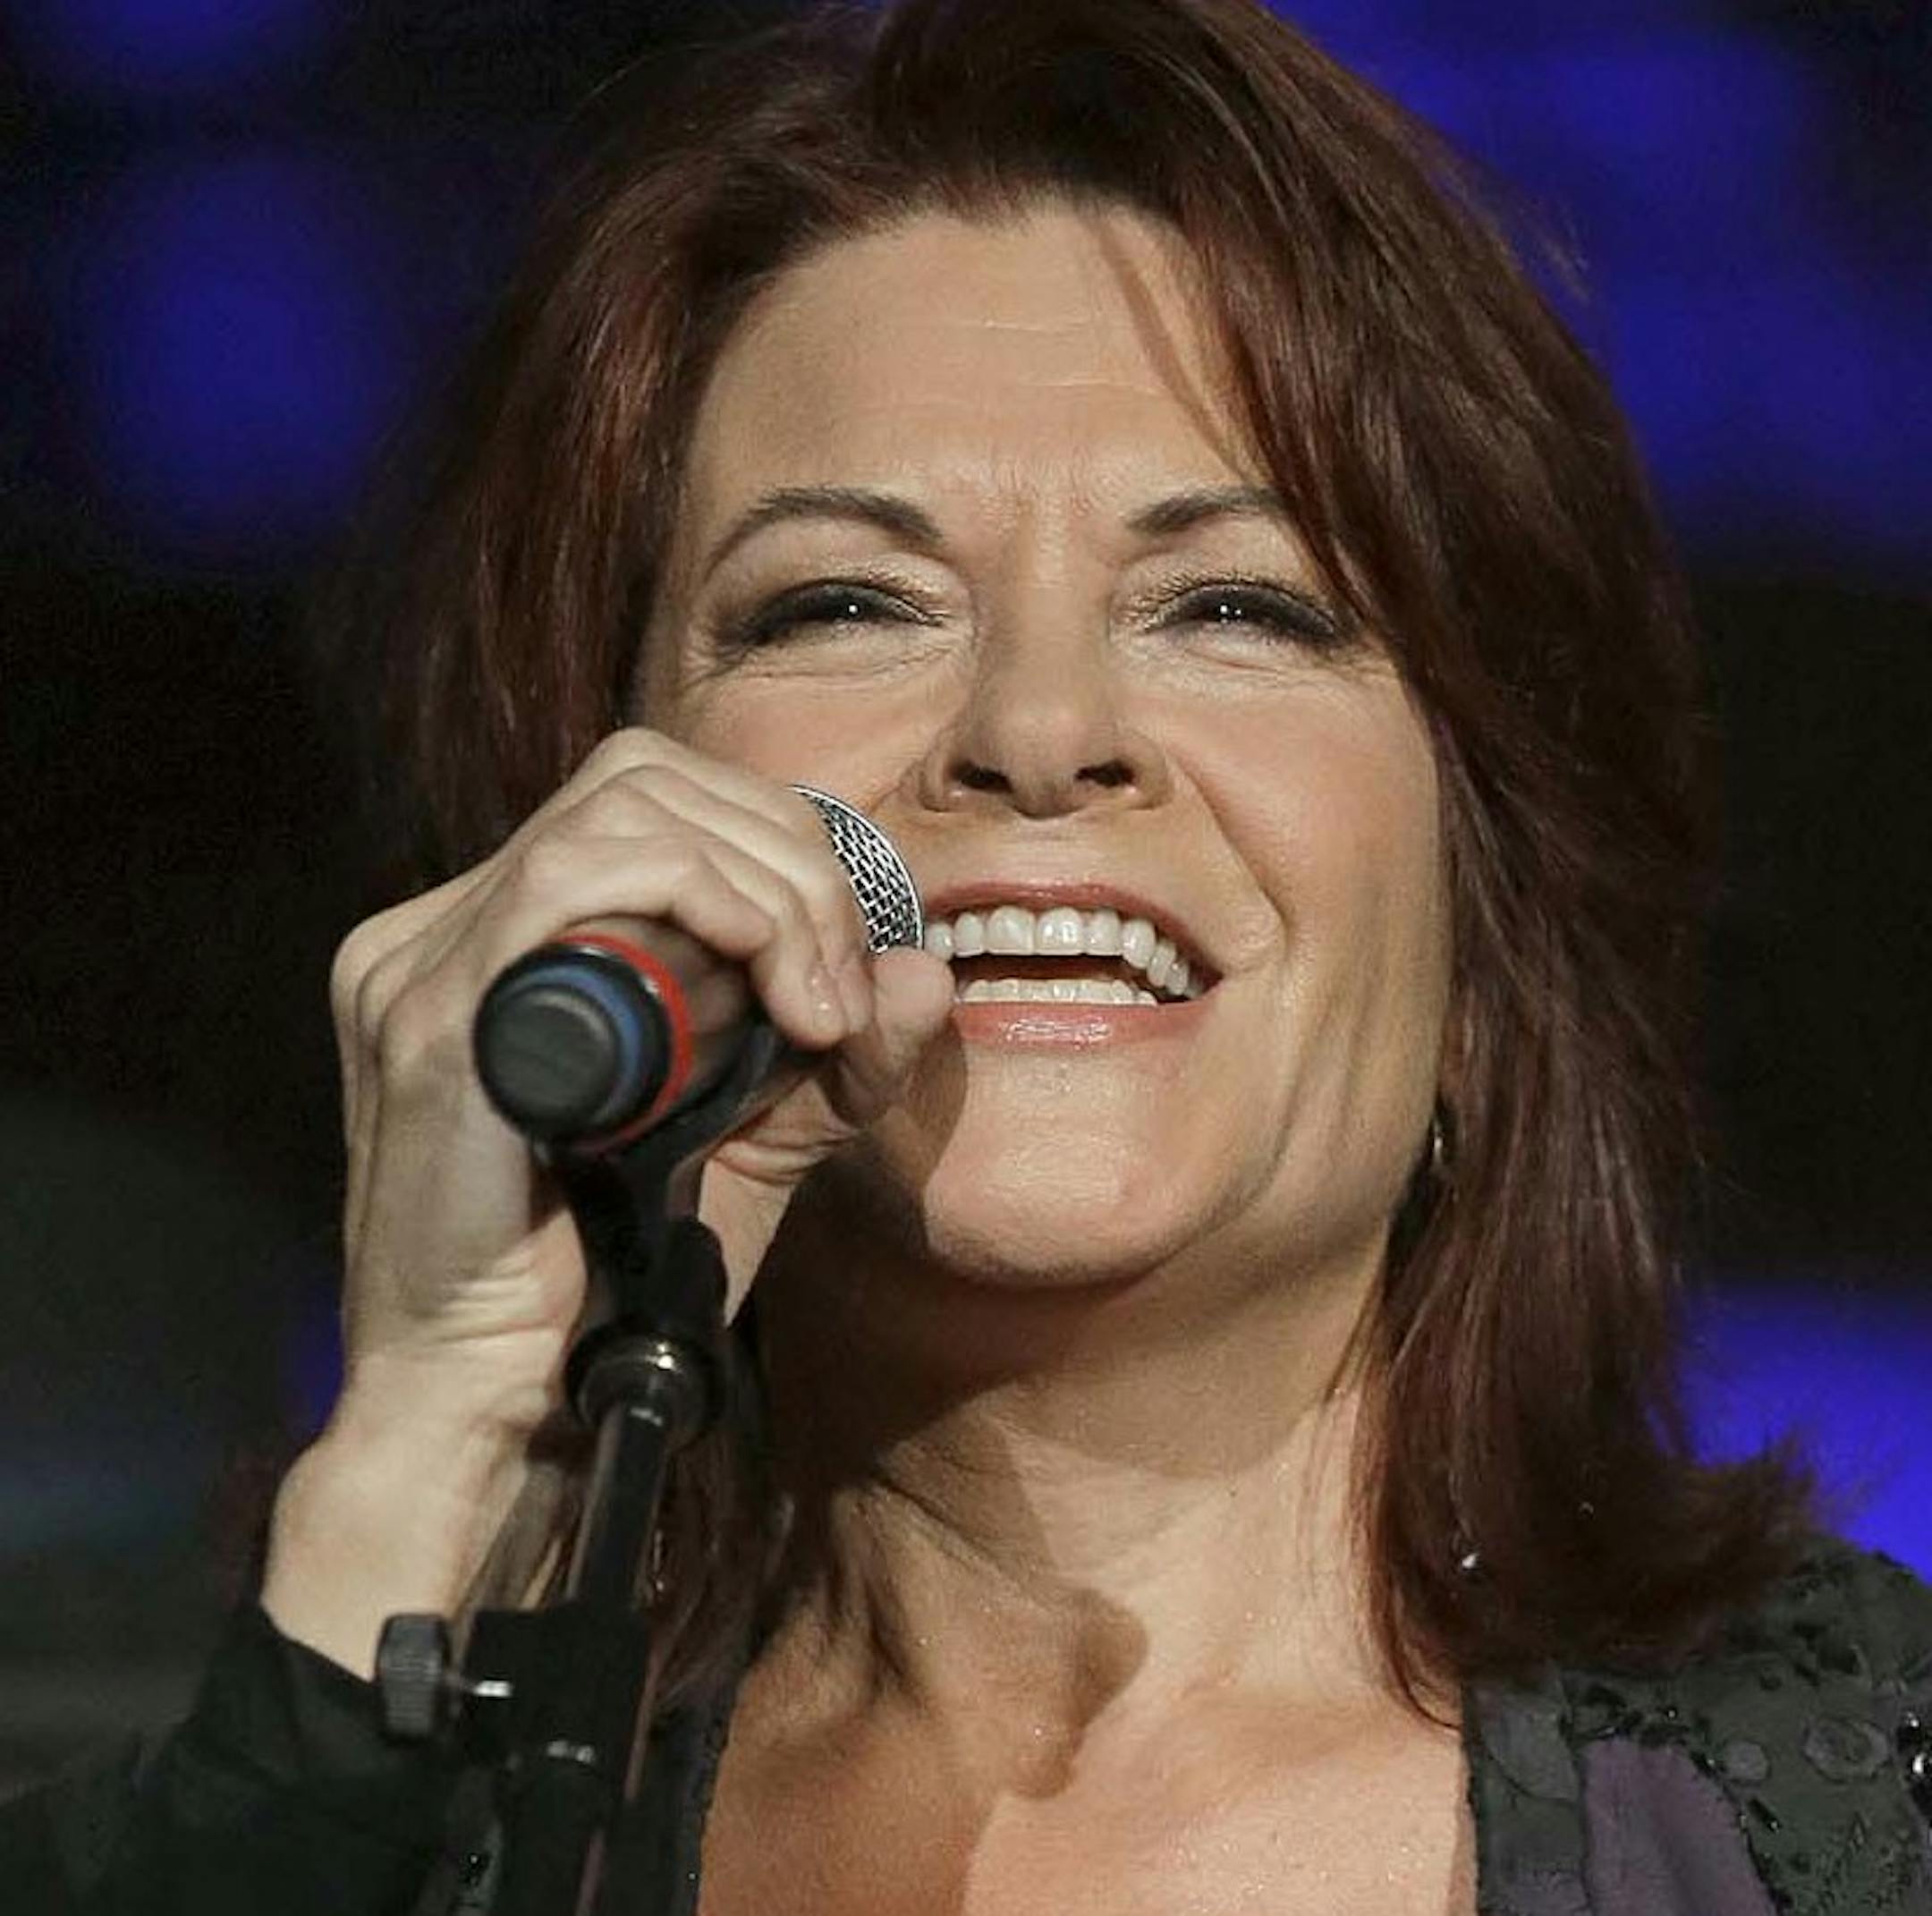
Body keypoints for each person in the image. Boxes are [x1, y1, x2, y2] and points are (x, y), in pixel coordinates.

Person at [8, 0, 1931, 1911]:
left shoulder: (1853, 1821)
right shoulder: (308, 1811)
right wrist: (423, 1490)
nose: (1036, 729)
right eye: (846, 601)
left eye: (1237, 606)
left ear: (1491, 927)